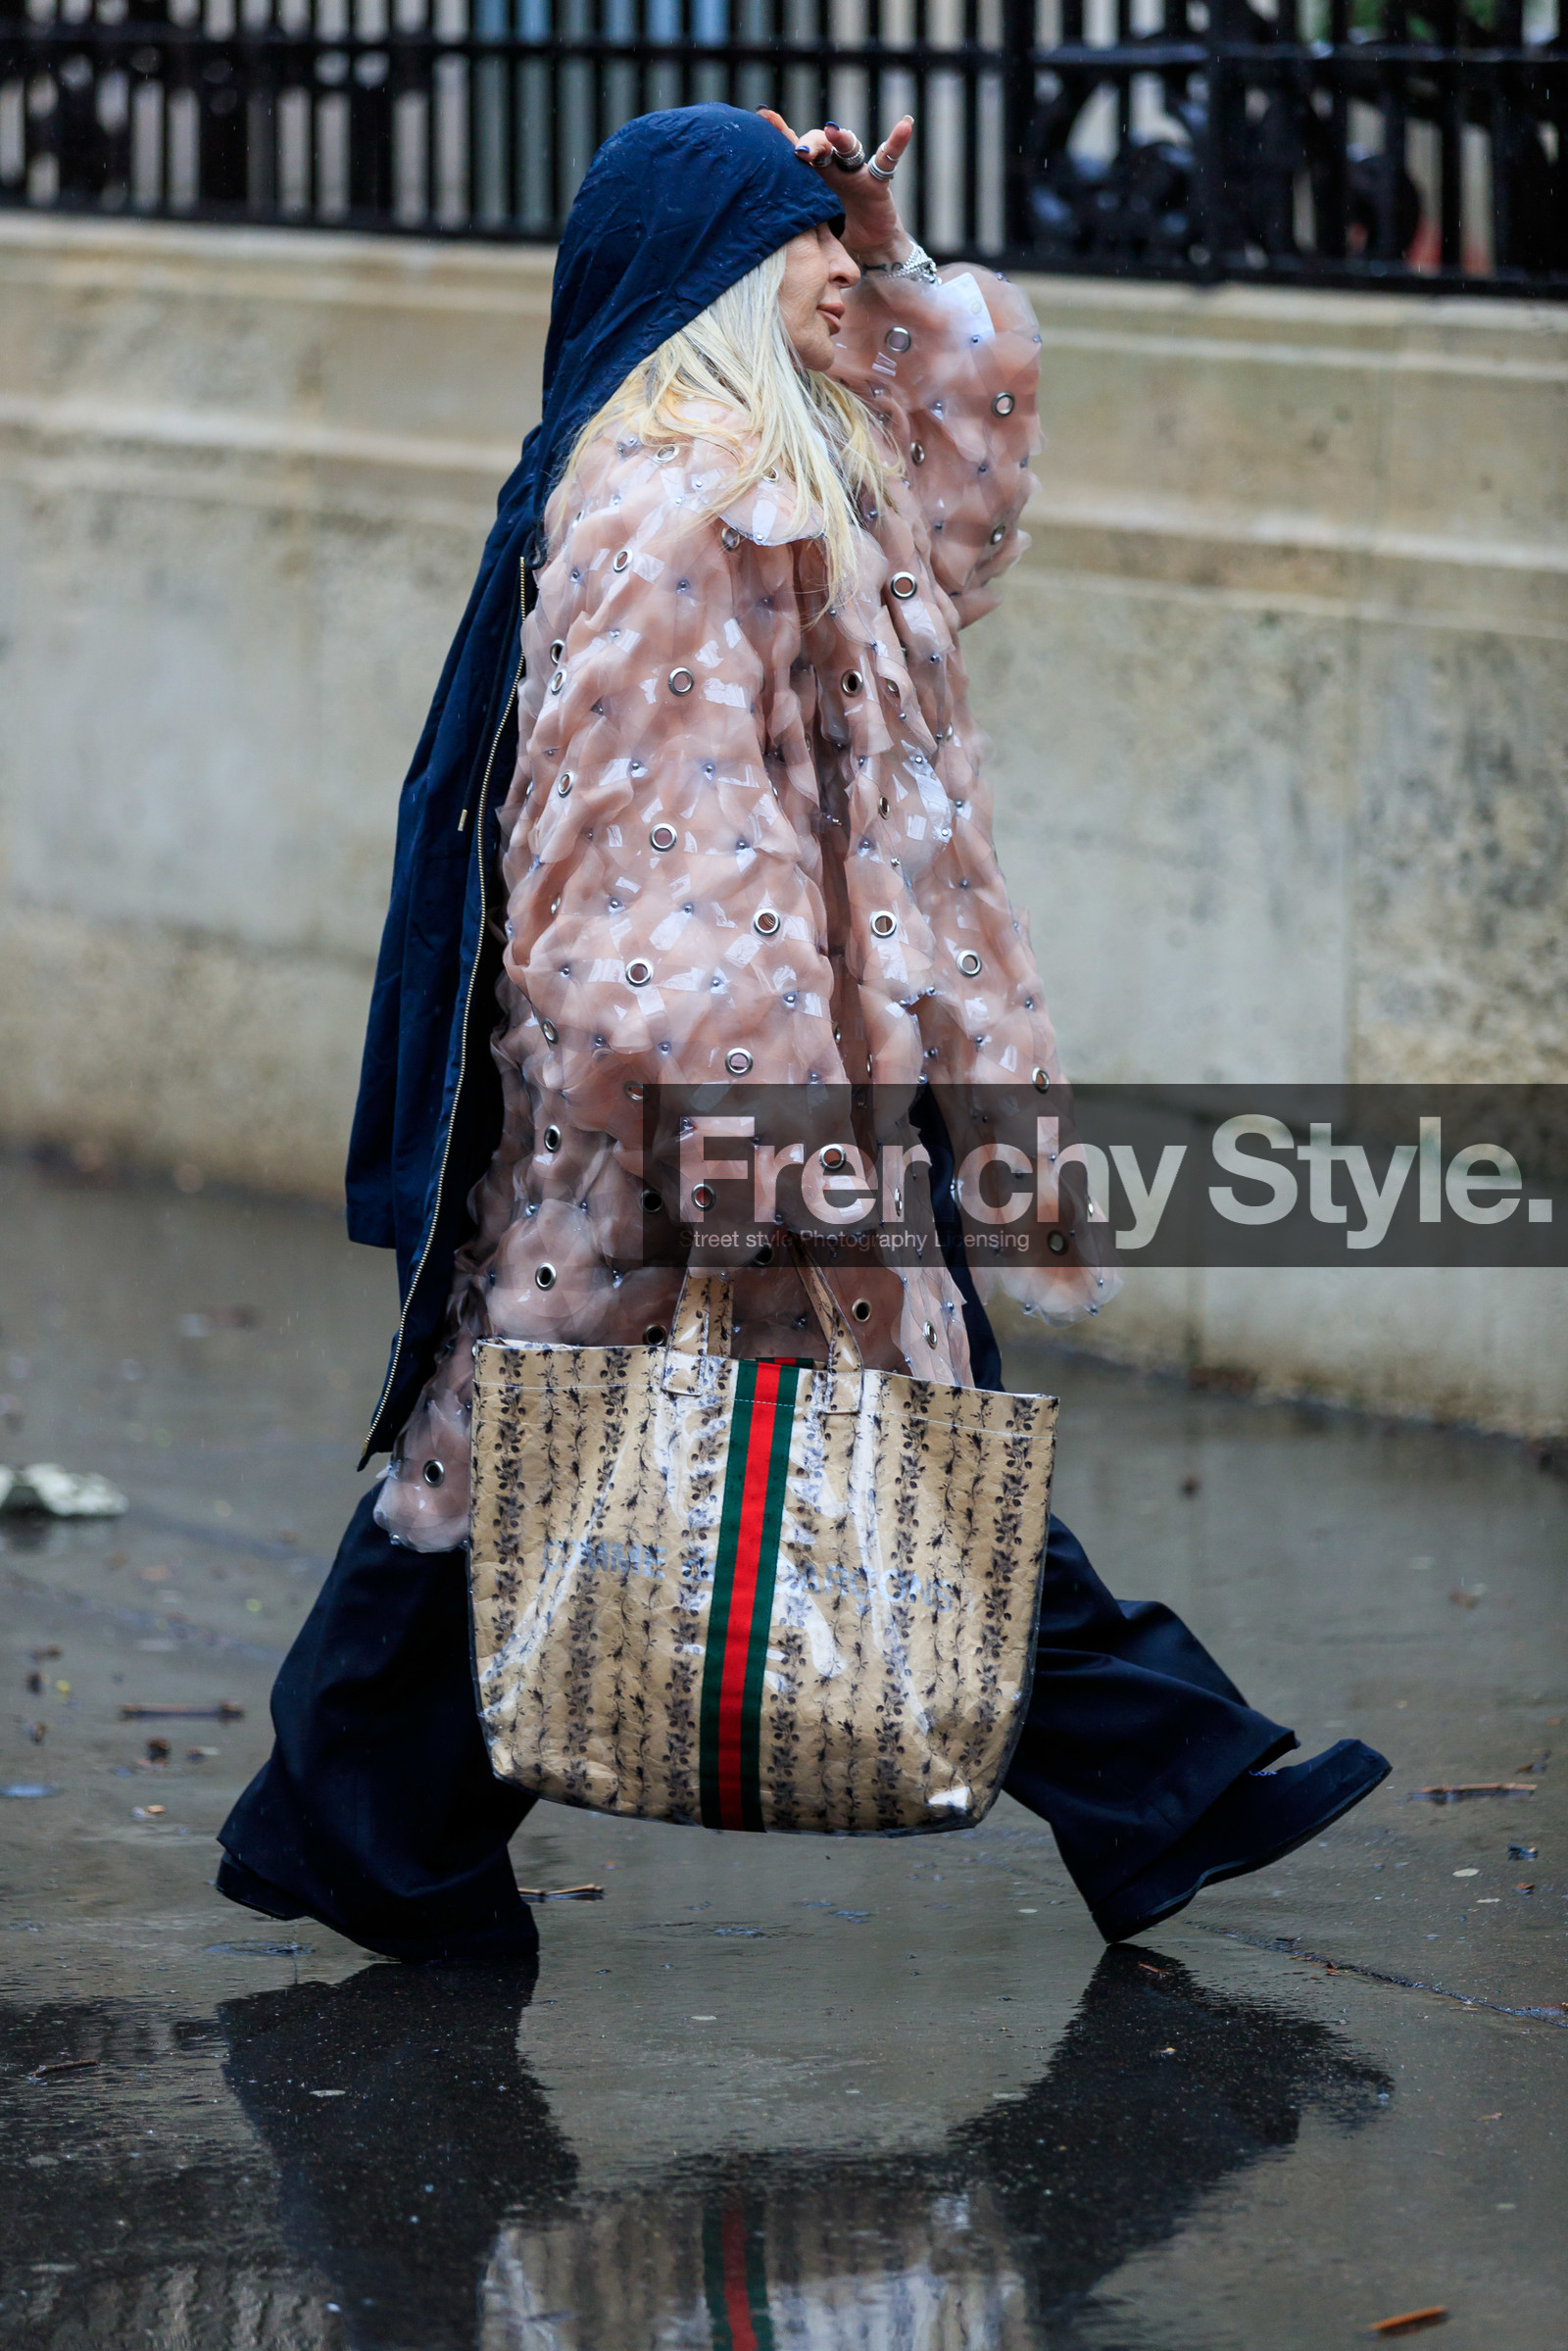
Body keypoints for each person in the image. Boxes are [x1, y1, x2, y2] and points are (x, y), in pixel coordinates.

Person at [218, 102, 1388, 1964]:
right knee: (541, 1458)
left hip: (778, 1087)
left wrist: (903, 253)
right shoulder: (679, 508)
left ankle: (1166, 1789)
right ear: (720, 284)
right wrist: (784, 1155)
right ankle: (352, 1819)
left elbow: (971, 515)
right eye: (810, 245)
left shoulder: (802, 477)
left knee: (628, 1447)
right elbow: (655, 895)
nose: (845, 265)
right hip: (696, 1106)